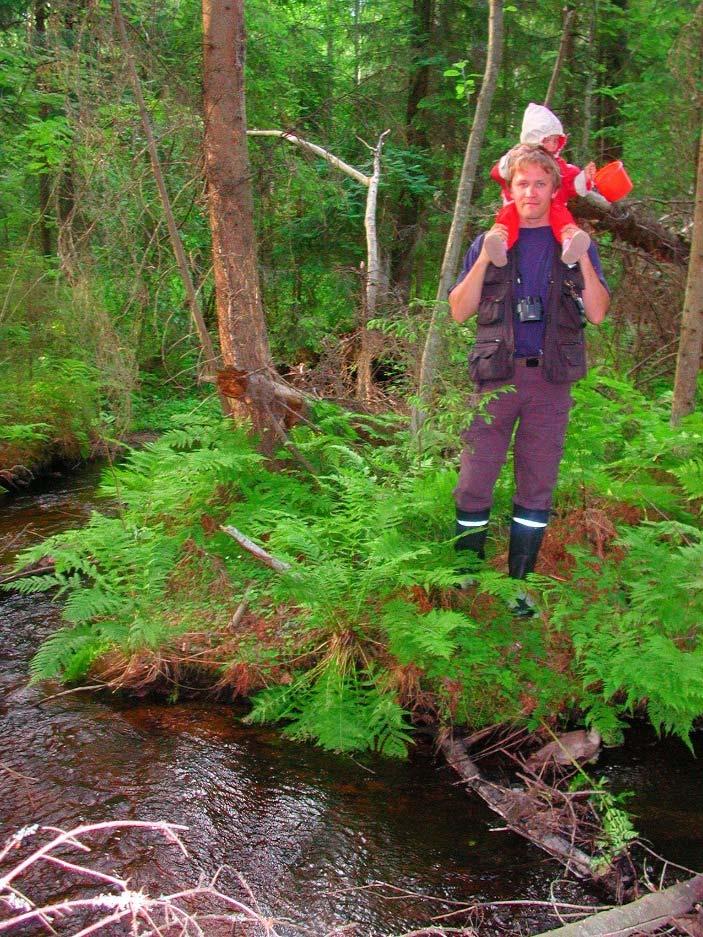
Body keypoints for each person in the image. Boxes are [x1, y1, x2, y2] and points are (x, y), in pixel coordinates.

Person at [448, 144, 609, 613]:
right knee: (474, 480)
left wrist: (580, 257)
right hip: (497, 378)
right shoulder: (491, 240)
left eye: (541, 183)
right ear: (510, 188)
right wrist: (485, 259)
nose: (531, 192)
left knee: (537, 484)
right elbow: (459, 310)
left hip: (550, 383)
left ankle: (519, 585)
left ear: (555, 189)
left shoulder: (572, 241)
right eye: (523, 183)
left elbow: (597, 313)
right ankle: (465, 575)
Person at [484, 103, 597, 268]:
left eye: (555, 141)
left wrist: (584, 178)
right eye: (547, 140)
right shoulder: (516, 161)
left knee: (562, 217)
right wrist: (511, 160)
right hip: (517, 206)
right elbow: (497, 173)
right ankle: (500, 245)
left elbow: (571, 184)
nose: (552, 146)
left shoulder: (560, 166)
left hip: (554, 207)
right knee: (507, 218)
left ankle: (570, 242)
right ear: (534, 139)